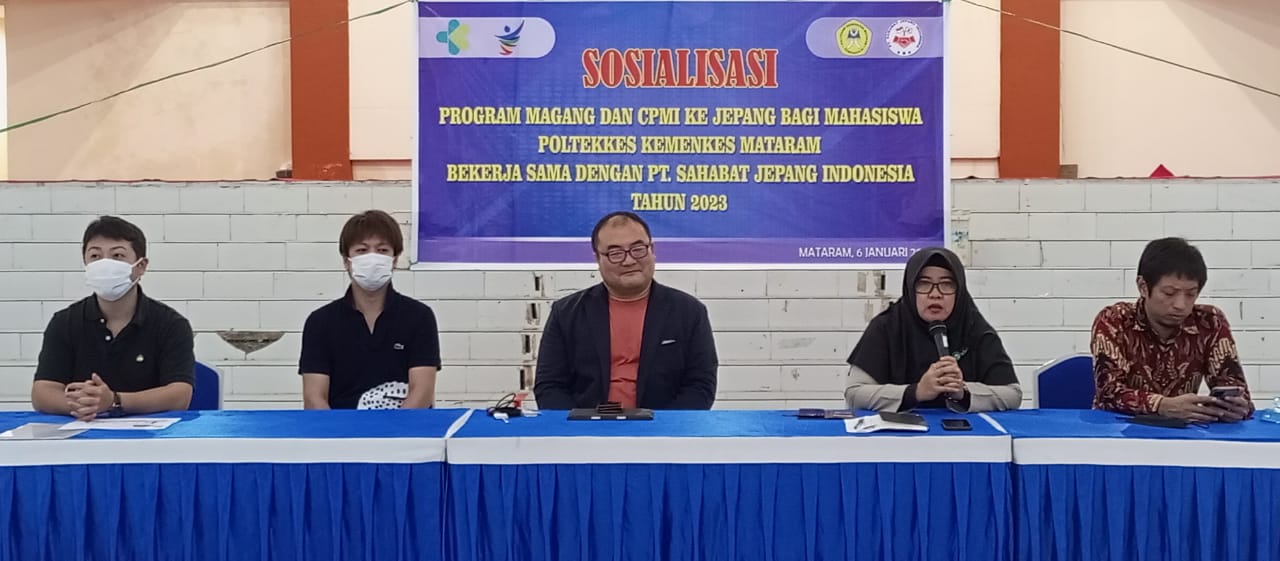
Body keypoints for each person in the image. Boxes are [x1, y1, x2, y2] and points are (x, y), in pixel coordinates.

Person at [534, 211, 718, 410]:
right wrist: (577, 424)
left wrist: (666, 425)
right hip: (586, 425)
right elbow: (549, 387)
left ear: (652, 250)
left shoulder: (689, 312)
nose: (629, 261)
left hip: (664, 425)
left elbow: (700, 387)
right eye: (615, 253)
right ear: (598, 259)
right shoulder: (566, 314)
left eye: (638, 249)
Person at [32, 216, 195, 419]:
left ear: (141, 265)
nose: (105, 264)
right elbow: (42, 392)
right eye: (95, 256)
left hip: (151, 434)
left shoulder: (171, 325)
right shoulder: (64, 322)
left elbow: (179, 395)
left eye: (117, 255)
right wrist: (86, 404)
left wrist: (114, 401)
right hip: (82, 431)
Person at [1092, 237, 1253, 422]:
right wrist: (1161, 405)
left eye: (1191, 294)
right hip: (1116, 428)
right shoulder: (1114, 320)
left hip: (1184, 431)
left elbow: (1237, 390)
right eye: (1169, 293)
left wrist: (1236, 407)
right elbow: (1109, 393)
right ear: (1143, 287)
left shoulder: (1209, 322)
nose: (1180, 305)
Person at [844, 247, 1021, 412]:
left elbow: (1013, 394)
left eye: (947, 284)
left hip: (966, 432)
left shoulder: (974, 328)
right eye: (924, 283)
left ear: (959, 291)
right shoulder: (887, 327)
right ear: (910, 288)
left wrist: (963, 391)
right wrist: (916, 392)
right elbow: (854, 393)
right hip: (899, 432)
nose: (935, 294)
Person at [299, 210, 441, 409]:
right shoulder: (320, 322)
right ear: (346, 260)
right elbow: (314, 398)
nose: (372, 258)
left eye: (382, 250)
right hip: (340, 427)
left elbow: (422, 392)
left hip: (404, 426)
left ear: (395, 259)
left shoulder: (419, 317)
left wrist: (396, 428)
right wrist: (337, 429)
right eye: (362, 250)